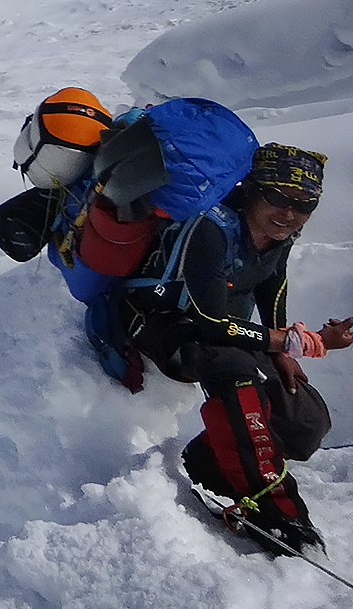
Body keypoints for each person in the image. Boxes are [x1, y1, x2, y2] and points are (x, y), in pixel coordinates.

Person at [122, 144, 352, 555]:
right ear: (252, 191)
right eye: (277, 197)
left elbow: (271, 283)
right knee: (235, 374)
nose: (289, 212)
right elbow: (210, 324)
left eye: (304, 204)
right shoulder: (210, 228)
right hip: (162, 322)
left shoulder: (280, 232)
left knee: (304, 423)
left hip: (227, 329)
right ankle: (276, 510)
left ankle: (210, 462)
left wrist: (280, 348)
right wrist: (285, 341)